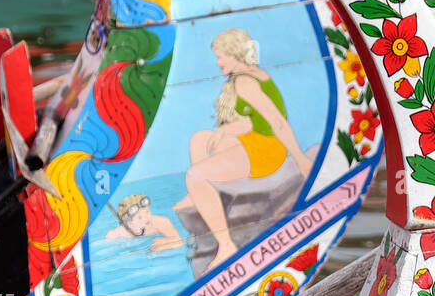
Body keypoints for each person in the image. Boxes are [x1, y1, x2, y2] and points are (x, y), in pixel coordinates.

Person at [173, 27, 313, 265]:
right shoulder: (249, 76)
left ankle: (226, 245)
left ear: (233, 53)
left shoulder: (245, 84)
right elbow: (253, 120)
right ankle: (203, 197)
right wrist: (228, 130)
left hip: (267, 151)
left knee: (194, 175)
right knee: (200, 139)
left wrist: (300, 159)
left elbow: (276, 121)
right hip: (256, 140)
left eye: (220, 56)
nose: (217, 63)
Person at [105, 193, 183, 251]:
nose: (147, 218)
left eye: (147, 212)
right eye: (139, 217)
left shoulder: (161, 222)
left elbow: (180, 242)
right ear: (127, 222)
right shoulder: (115, 235)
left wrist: (160, 247)